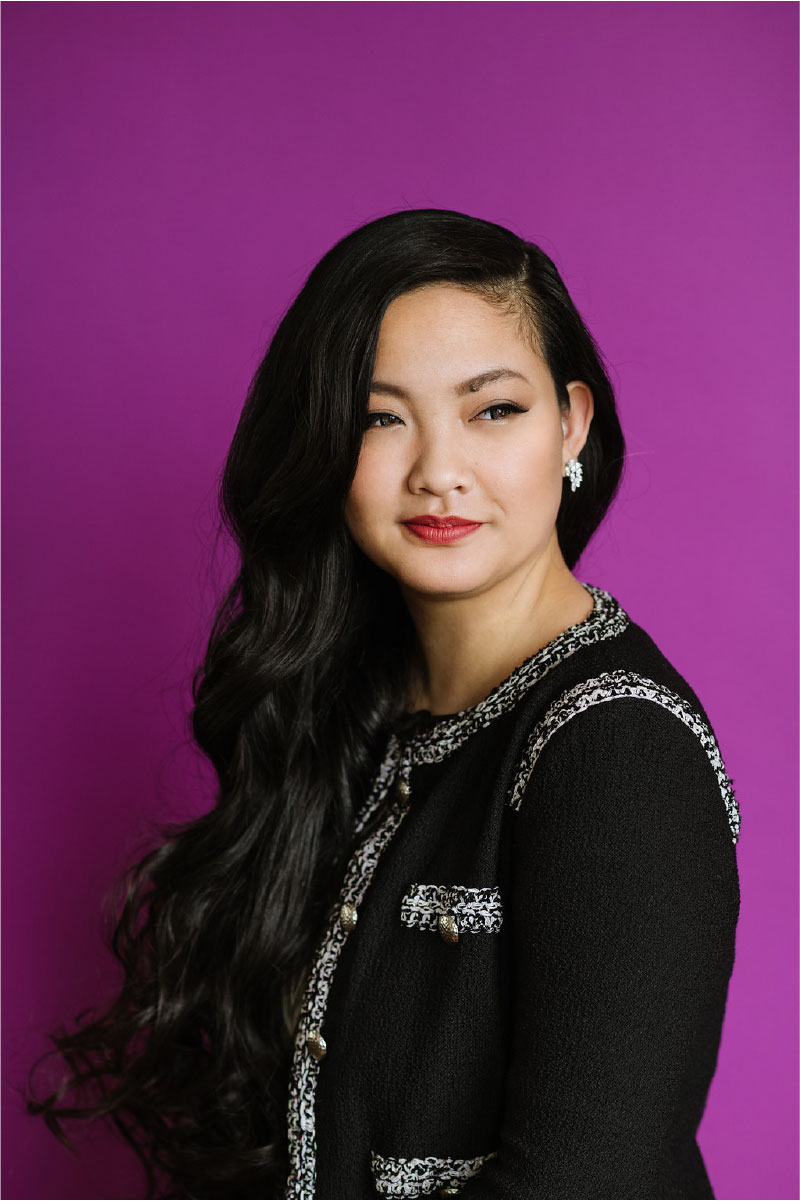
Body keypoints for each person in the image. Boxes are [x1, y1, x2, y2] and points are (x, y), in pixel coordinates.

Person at [28, 208, 741, 1200]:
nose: (438, 471)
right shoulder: (346, 711)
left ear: (571, 424)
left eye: (493, 409)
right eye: (379, 417)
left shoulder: (616, 745)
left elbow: (586, 1180)